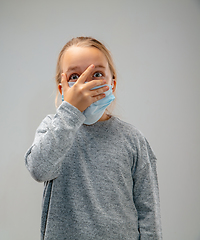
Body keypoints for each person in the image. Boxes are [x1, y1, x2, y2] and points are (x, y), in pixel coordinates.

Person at [25, 37, 162, 239]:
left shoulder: (133, 140)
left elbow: (148, 211)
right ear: (62, 88)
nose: (85, 85)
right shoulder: (53, 129)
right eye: (74, 77)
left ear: (112, 84)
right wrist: (71, 111)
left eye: (96, 74)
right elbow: (39, 169)